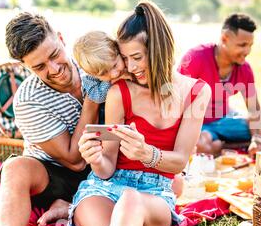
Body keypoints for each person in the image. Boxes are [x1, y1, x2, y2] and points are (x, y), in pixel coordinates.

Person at [72, 0, 211, 226]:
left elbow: (179, 161)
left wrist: (147, 153)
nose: (131, 67)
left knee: (130, 202)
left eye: (137, 57)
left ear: (160, 49)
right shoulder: (119, 92)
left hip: (155, 193)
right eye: (125, 58)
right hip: (104, 189)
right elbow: (107, 168)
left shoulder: (196, 92)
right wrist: (94, 157)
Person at [0, 12, 99, 226]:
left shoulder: (94, 65)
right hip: (57, 175)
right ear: (25, 66)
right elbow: (75, 161)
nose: (54, 70)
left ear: (61, 39)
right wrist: (93, 100)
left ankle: (68, 207)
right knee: (14, 168)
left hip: (110, 166)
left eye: (55, 55)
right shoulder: (28, 99)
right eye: (40, 66)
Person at [73, 30, 185, 197]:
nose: (114, 75)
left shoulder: (138, 71)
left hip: (149, 160)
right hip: (112, 139)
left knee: (178, 184)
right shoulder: (105, 88)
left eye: (114, 66)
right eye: (103, 74)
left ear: (119, 52)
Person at [178, 13, 261, 157]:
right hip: (198, 124)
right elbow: (175, 100)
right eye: (242, 45)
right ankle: (230, 146)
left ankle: (226, 146)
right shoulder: (195, 58)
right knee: (200, 147)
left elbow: (254, 108)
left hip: (226, 120)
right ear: (224, 39)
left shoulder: (244, 68)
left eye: (250, 45)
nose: (247, 51)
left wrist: (257, 139)